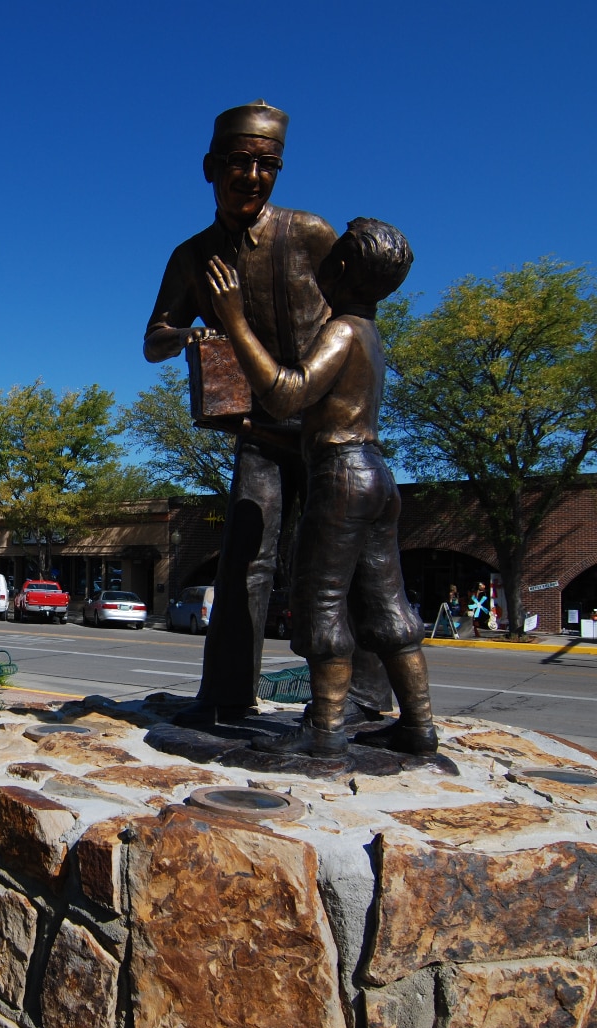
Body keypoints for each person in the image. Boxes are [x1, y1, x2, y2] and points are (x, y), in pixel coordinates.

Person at [145, 100, 371, 725]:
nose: (252, 176)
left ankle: (369, 700)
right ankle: (225, 695)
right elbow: (153, 338)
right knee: (246, 560)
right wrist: (188, 336)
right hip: (258, 432)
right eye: (239, 163)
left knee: (345, 564)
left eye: (266, 165)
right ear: (210, 167)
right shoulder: (191, 257)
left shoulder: (311, 233)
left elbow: (359, 319)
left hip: (328, 433)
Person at [204, 216, 434, 755]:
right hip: (375, 473)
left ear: (345, 269)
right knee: (388, 603)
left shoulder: (343, 329)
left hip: (342, 479)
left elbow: (289, 395)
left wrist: (236, 321)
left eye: (329, 260)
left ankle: (324, 731)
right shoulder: (373, 336)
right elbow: (319, 426)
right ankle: (420, 725)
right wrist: (245, 428)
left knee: (320, 600)